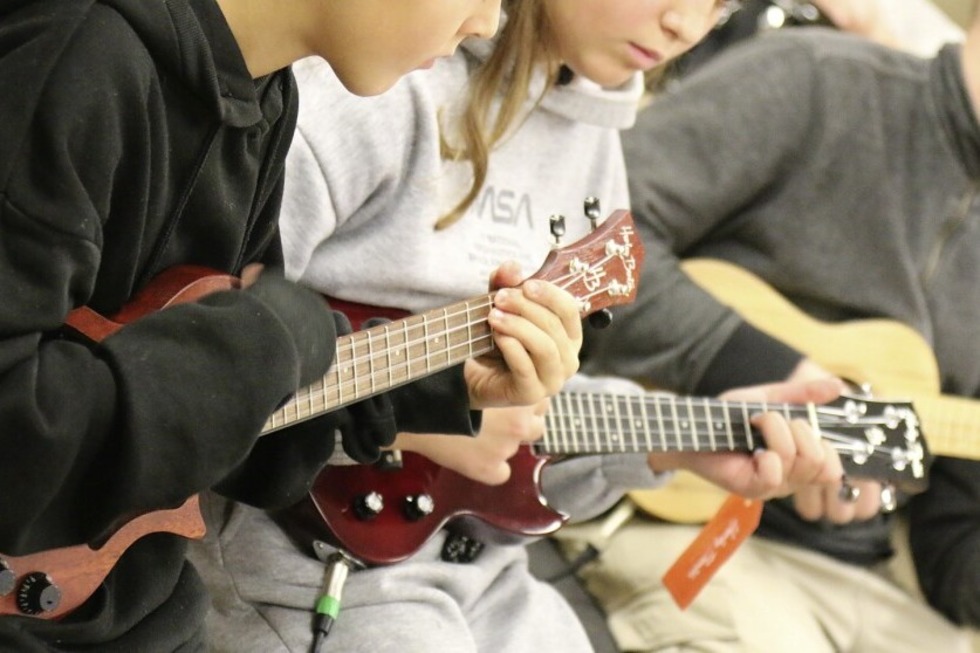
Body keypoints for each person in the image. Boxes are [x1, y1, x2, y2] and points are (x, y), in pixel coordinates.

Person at [184, 1, 850, 652]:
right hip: (298, 568)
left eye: (719, 6)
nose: (685, 25)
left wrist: (680, 444)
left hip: (485, 576)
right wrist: (430, 423)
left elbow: (518, 433)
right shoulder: (376, 78)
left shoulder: (597, 152)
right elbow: (202, 372)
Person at [0, 1, 595, 650]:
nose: (487, 25)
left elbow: (237, 416)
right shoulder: (77, 58)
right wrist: (272, 336)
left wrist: (442, 386)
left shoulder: (266, 98)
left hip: (127, 600)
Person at [566, 6, 980, 652]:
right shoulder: (819, 79)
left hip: (868, 576)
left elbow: (952, 542)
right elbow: (585, 232)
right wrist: (762, 368)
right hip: (671, 512)